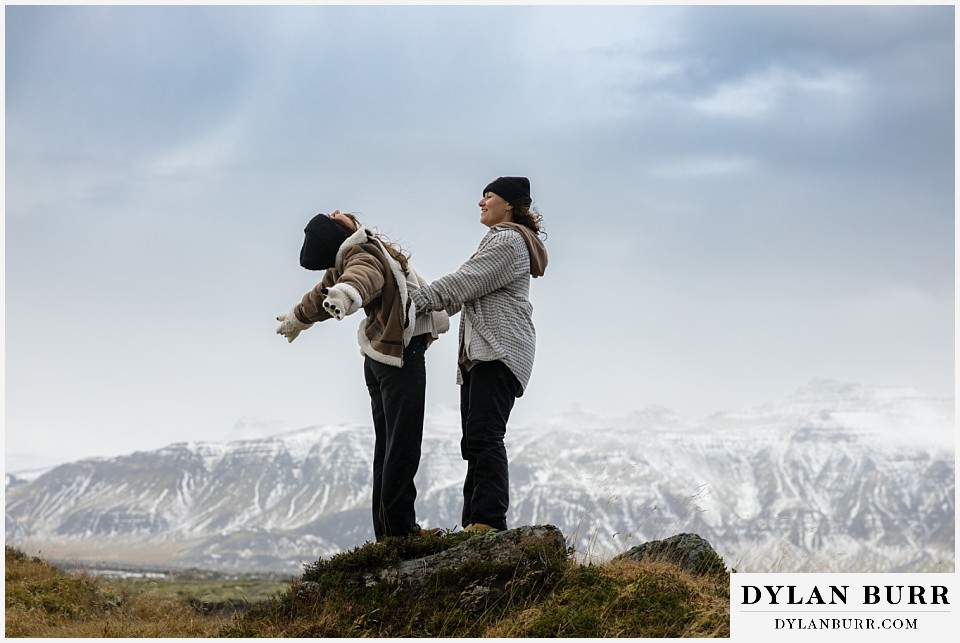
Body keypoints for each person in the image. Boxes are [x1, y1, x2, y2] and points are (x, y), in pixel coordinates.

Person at [275, 210, 449, 541]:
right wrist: (347, 294)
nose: (337, 211)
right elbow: (363, 277)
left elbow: (321, 293)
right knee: (402, 446)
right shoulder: (362, 253)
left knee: (387, 447)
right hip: (399, 357)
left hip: (378, 360)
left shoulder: (350, 255)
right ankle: (400, 533)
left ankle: (388, 533)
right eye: (331, 216)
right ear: (337, 232)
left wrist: (298, 317)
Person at [409, 177, 548, 533]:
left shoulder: (509, 242)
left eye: (488, 196)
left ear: (510, 205)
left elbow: (463, 283)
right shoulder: (502, 240)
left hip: (498, 352)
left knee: (484, 436)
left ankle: (488, 521)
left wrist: (410, 303)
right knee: (474, 439)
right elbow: (462, 293)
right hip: (483, 353)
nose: (480, 202)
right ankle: (474, 521)